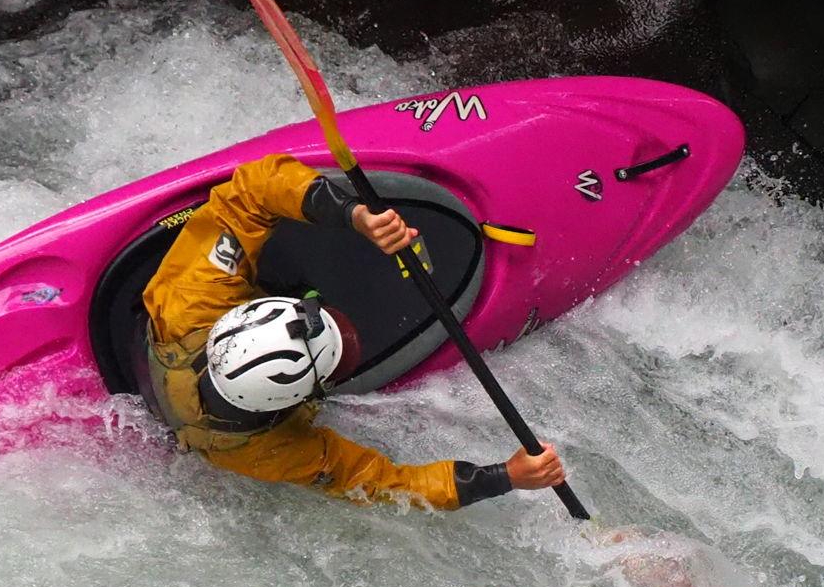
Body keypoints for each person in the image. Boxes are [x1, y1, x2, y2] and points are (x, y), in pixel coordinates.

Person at [141, 155, 567, 509]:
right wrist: (504, 477)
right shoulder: (264, 451)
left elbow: (252, 188)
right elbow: (384, 484)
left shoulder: (191, 299)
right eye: (338, 359)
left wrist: (352, 214)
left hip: (179, 340)